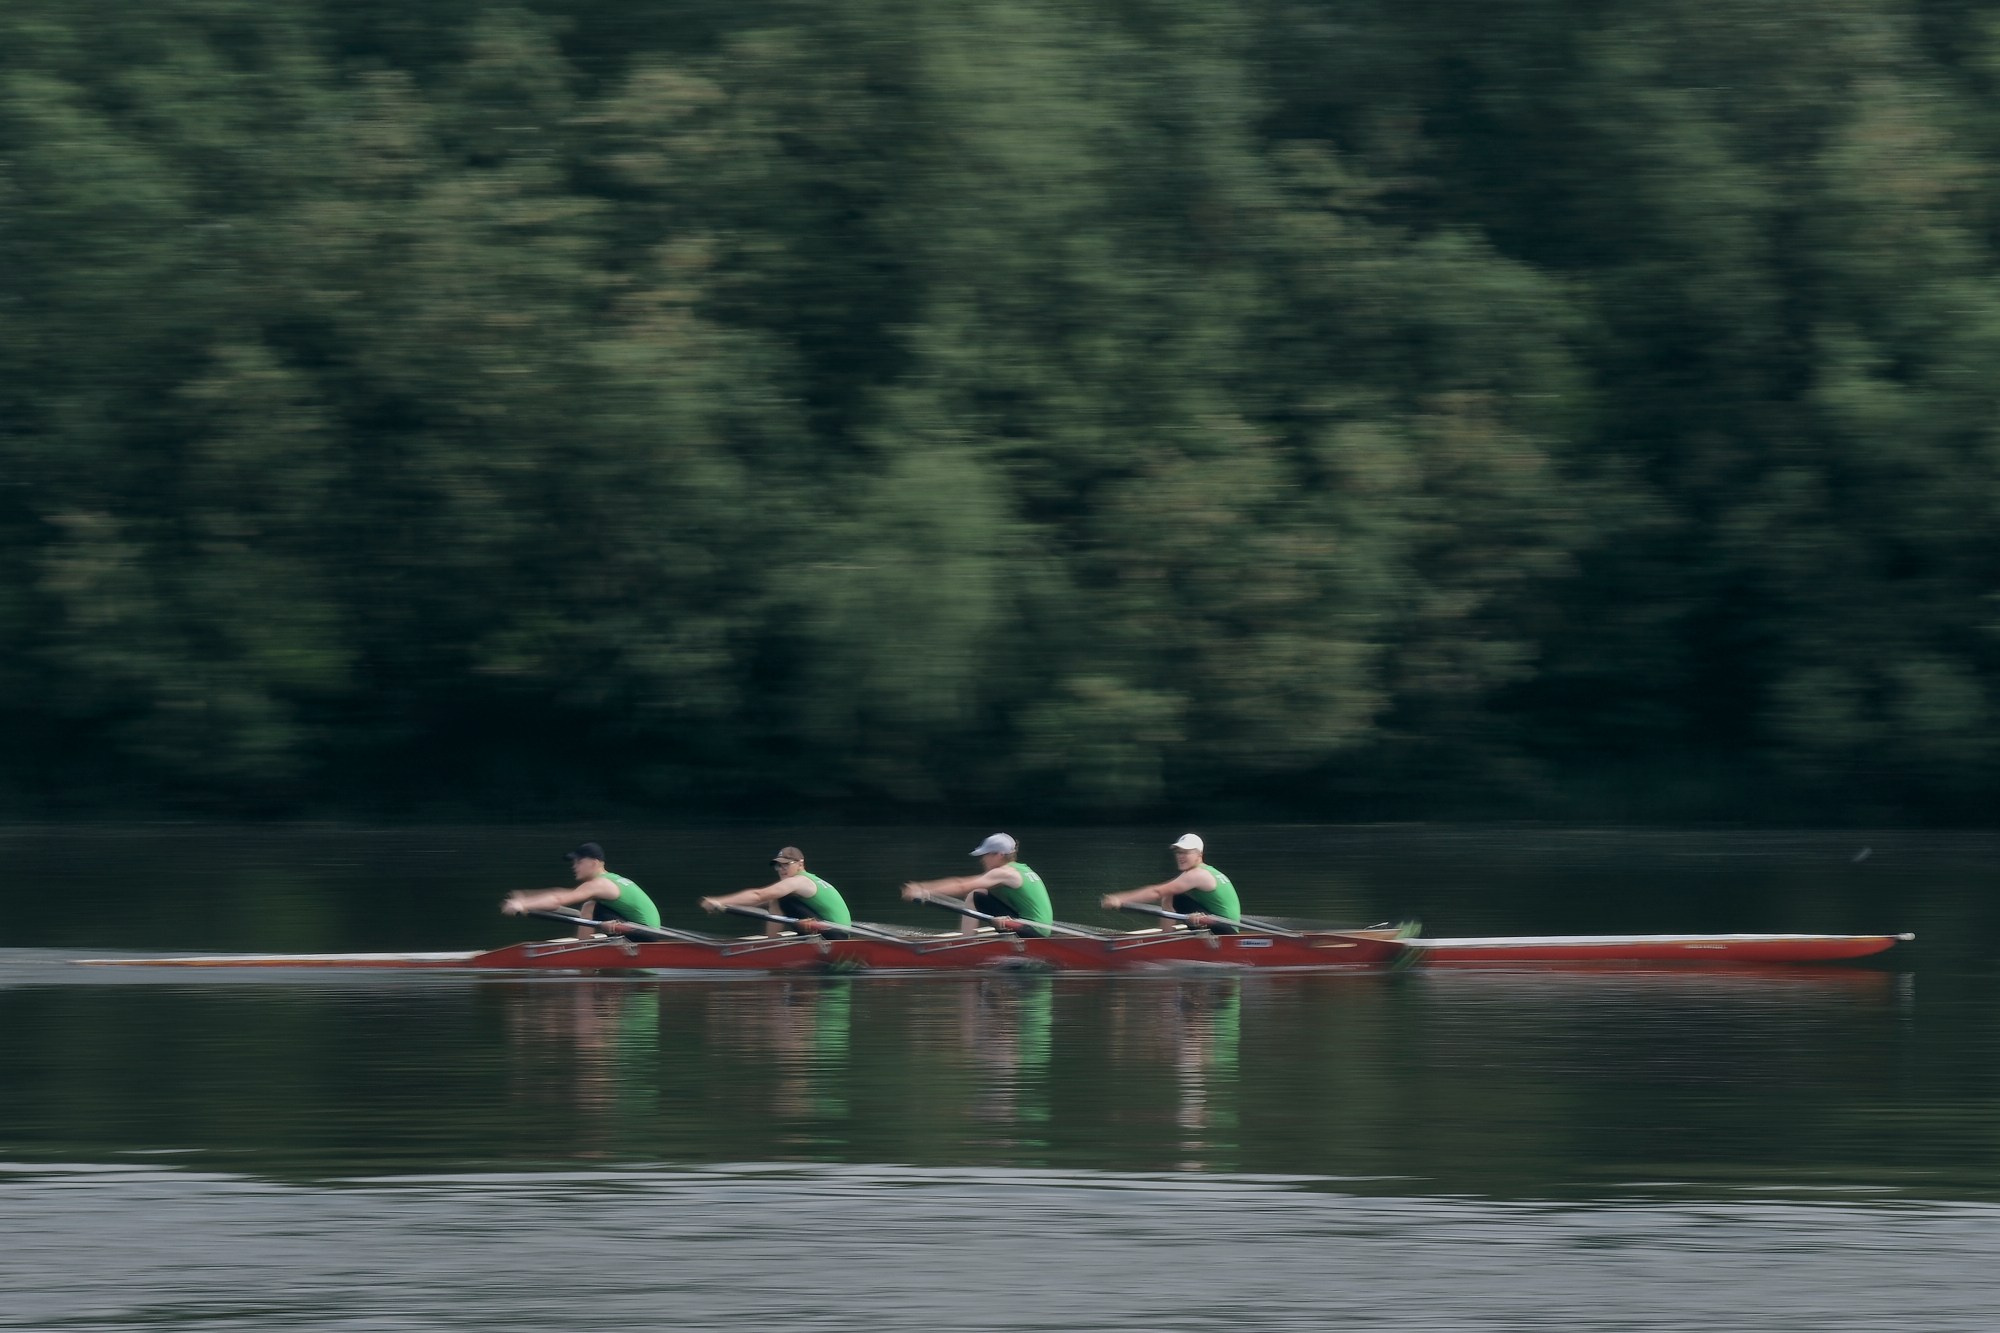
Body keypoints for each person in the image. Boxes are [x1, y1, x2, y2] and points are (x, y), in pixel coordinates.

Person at [901, 833, 1054, 938]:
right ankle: (969, 940)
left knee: (974, 895)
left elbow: (962, 885)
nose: (982, 859)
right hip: (1039, 927)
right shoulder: (1022, 869)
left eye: (986, 854)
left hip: (1033, 930)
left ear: (999, 855)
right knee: (980, 893)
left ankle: (967, 944)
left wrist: (923, 890)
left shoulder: (1005, 873)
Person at [501, 843, 662, 937]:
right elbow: (558, 899)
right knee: (591, 906)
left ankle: (584, 960)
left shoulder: (599, 884)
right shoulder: (612, 879)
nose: (574, 866)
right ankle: (589, 949)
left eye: (579, 862)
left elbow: (558, 899)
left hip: (643, 933)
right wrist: (526, 901)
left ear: (594, 863)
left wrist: (522, 904)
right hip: (648, 930)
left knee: (588, 907)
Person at [1100, 833, 1242, 934]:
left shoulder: (1197, 874)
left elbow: (1157, 892)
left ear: (1199, 855)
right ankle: (1166, 935)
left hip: (1224, 932)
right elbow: (1165, 893)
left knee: (1169, 893)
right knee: (1171, 893)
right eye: (1178, 852)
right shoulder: (1208, 871)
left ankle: (1170, 938)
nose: (1180, 856)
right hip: (1223, 925)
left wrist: (1120, 899)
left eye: (1186, 852)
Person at [700, 847, 855, 938]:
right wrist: (728, 905)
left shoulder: (798, 881)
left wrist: (721, 902)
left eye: (786, 865)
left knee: (779, 899)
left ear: (801, 864)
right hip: (836, 931)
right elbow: (760, 900)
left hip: (833, 935)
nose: (781, 869)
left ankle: (770, 946)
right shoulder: (809, 880)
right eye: (778, 866)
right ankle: (771, 942)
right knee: (777, 899)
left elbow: (758, 895)